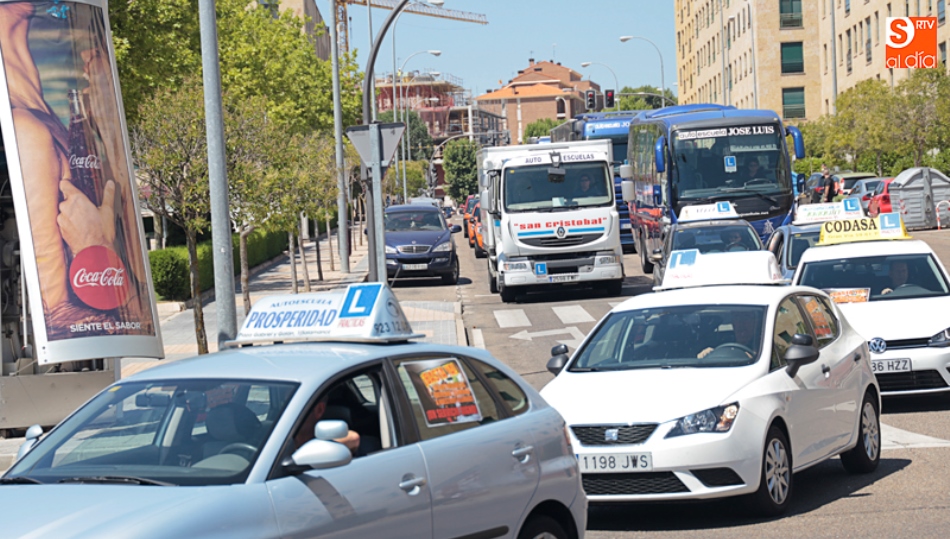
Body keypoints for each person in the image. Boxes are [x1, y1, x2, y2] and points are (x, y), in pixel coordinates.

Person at [294, 395, 361, 454]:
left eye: (296, 408)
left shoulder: (325, 439)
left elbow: (353, 438)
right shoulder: (288, 437)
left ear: (319, 410)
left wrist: (311, 449)